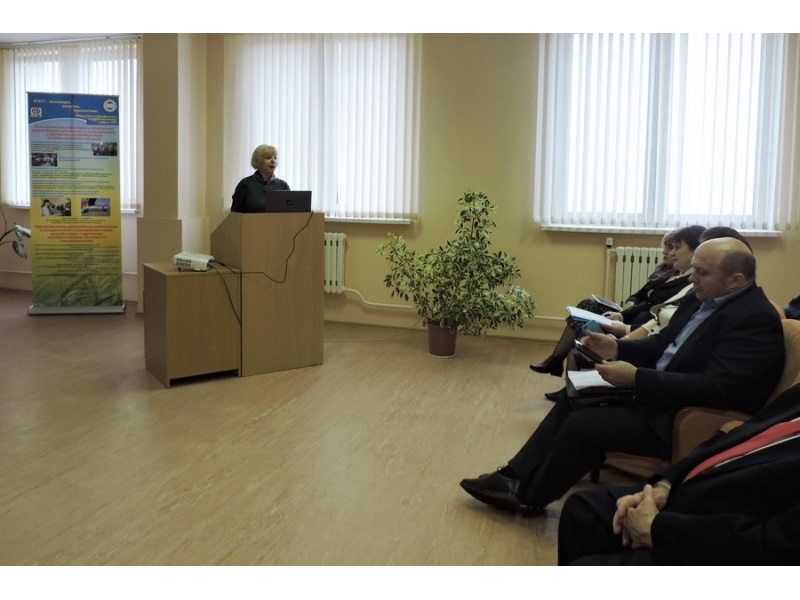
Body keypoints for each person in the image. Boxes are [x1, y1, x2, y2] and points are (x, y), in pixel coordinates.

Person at [460, 237, 785, 515]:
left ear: (736, 280)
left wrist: (636, 378)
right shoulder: (701, 297)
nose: (692, 277)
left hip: (682, 415)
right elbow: (663, 342)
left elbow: (717, 389)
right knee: (575, 397)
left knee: (585, 426)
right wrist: (617, 347)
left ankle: (529, 498)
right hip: (659, 393)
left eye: (702, 272)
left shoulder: (754, 319)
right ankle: (514, 475)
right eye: (694, 269)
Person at [557, 383, 800, 565]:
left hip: (720, 545)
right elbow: (732, 440)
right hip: (690, 497)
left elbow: (775, 546)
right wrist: (664, 486)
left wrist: (659, 530)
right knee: (582, 512)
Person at [531, 226, 704, 377]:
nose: (668, 252)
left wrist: (623, 316)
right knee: (586, 307)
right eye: (667, 247)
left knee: (587, 318)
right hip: (631, 312)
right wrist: (631, 301)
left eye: (674, 247)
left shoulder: (687, 283)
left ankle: (558, 362)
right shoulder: (664, 271)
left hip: (635, 318)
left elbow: (652, 306)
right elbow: (641, 293)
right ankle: (557, 361)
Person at [231, 144, 291, 213]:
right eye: (268, 158)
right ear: (258, 161)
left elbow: (290, 211)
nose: (273, 161)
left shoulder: (283, 185)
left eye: (275, 158)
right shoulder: (245, 184)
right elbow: (235, 214)